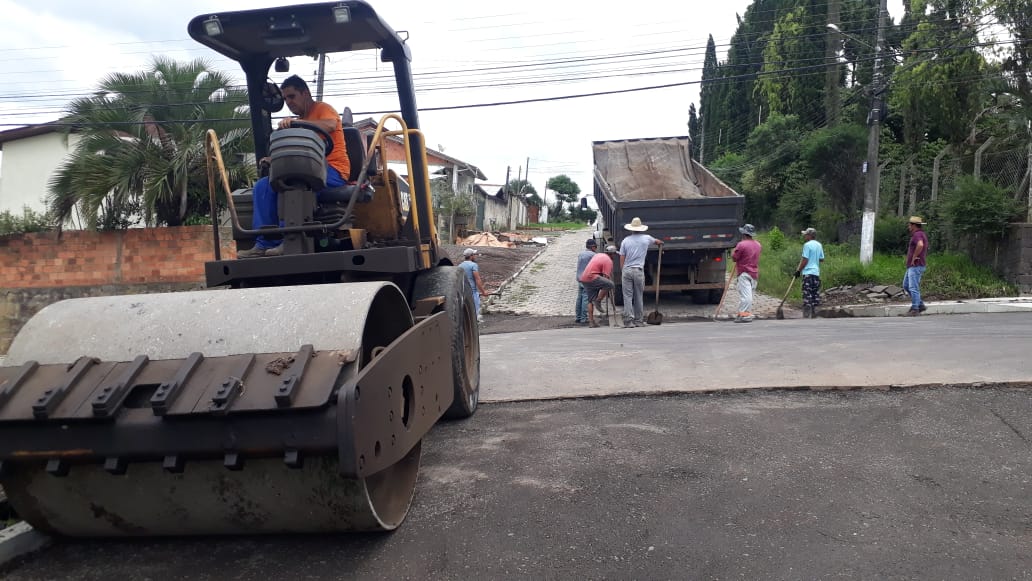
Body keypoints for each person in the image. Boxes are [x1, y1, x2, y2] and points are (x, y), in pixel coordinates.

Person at [238, 75, 352, 258]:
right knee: (264, 185)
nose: (288, 102)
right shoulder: (296, 122)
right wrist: (273, 158)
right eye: (285, 99)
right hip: (306, 169)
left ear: (305, 93)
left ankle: (289, 240)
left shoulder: (323, 109)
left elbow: (330, 124)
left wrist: (300, 124)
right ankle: (263, 243)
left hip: (333, 170)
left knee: (295, 183)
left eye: (292, 96)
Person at [618, 217, 664, 328]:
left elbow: (622, 257)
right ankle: (638, 321)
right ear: (641, 228)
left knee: (627, 296)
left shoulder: (626, 240)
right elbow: (658, 242)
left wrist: (622, 270)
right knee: (638, 296)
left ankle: (629, 321)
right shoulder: (646, 238)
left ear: (631, 229)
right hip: (638, 271)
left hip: (627, 270)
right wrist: (660, 244)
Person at [579, 245, 617, 328]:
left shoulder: (598, 255)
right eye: (614, 254)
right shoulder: (608, 261)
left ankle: (591, 322)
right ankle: (598, 301)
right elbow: (606, 277)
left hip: (585, 278)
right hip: (593, 277)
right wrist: (603, 292)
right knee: (610, 284)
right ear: (612, 254)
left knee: (590, 300)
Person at [731, 223, 762, 323]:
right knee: (749, 295)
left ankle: (744, 315)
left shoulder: (741, 244)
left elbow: (734, 258)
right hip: (754, 273)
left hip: (744, 272)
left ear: (744, 234)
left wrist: (734, 252)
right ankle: (744, 313)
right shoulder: (758, 245)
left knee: (745, 296)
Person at [794, 227, 825, 319]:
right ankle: (815, 314)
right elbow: (822, 259)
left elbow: (805, 260)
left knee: (807, 293)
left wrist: (798, 271)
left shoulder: (807, 245)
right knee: (815, 293)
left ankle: (807, 315)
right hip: (816, 273)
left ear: (809, 236)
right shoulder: (819, 245)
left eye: (806, 235)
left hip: (808, 273)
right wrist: (814, 256)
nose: (805, 236)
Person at [903, 216, 929, 316]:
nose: (908, 226)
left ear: (914, 225)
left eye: (910, 224)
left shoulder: (917, 235)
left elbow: (920, 245)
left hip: (916, 265)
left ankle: (915, 309)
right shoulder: (920, 234)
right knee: (906, 285)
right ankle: (920, 305)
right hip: (913, 266)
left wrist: (914, 257)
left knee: (913, 287)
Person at [458, 248, 488, 322]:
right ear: (471, 256)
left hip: (463, 290)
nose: (475, 256)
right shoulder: (473, 265)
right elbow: (477, 279)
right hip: (472, 291)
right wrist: (483, 292)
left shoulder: (460, 266)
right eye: (474, 255)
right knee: (475, 310)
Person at [574, 238, 598, 324]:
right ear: (592, 247)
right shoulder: (593, 255)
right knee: (586, 299)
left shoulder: (581, 254)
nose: (596, 249)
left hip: (579, 279)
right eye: (595, 247)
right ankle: (583, 319)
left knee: (579, 298)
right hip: (587, 280)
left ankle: (578, 317)